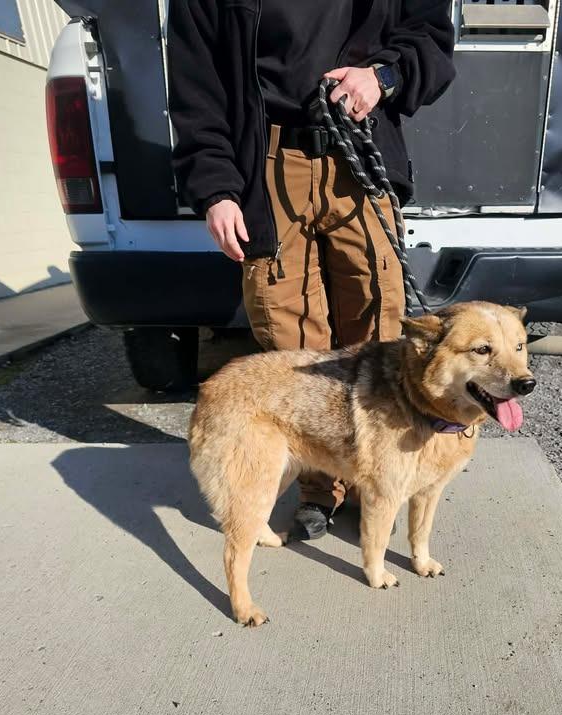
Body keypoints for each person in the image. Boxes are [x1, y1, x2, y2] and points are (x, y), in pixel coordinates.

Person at [168, 0, 455, 539]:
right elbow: (194, 89)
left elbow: (432, 37)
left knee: (378, 327)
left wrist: (385, 77)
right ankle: (319, 488)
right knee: (291, 338)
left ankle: (378, 479)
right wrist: (216, 188)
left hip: (359, 147)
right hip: (270, 158)